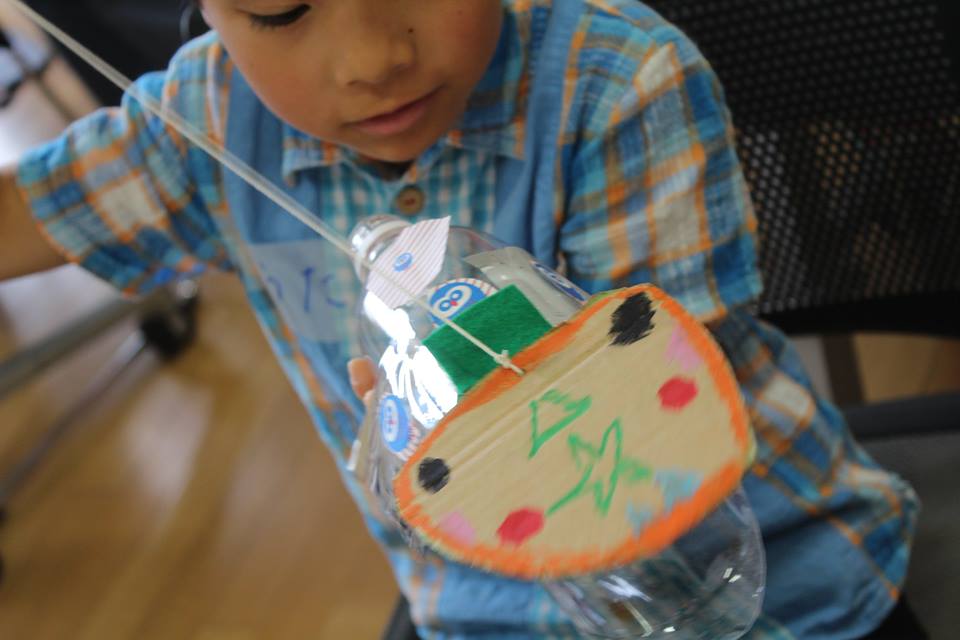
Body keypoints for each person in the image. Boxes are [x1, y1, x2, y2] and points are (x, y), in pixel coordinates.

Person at [0, 0, 923, 637]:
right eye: (282, 11)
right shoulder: (205, 122)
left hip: (773, 583)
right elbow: (31, 215)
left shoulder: (616, 83)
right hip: (486, 613)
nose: (372, 60)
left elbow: (646, 428)